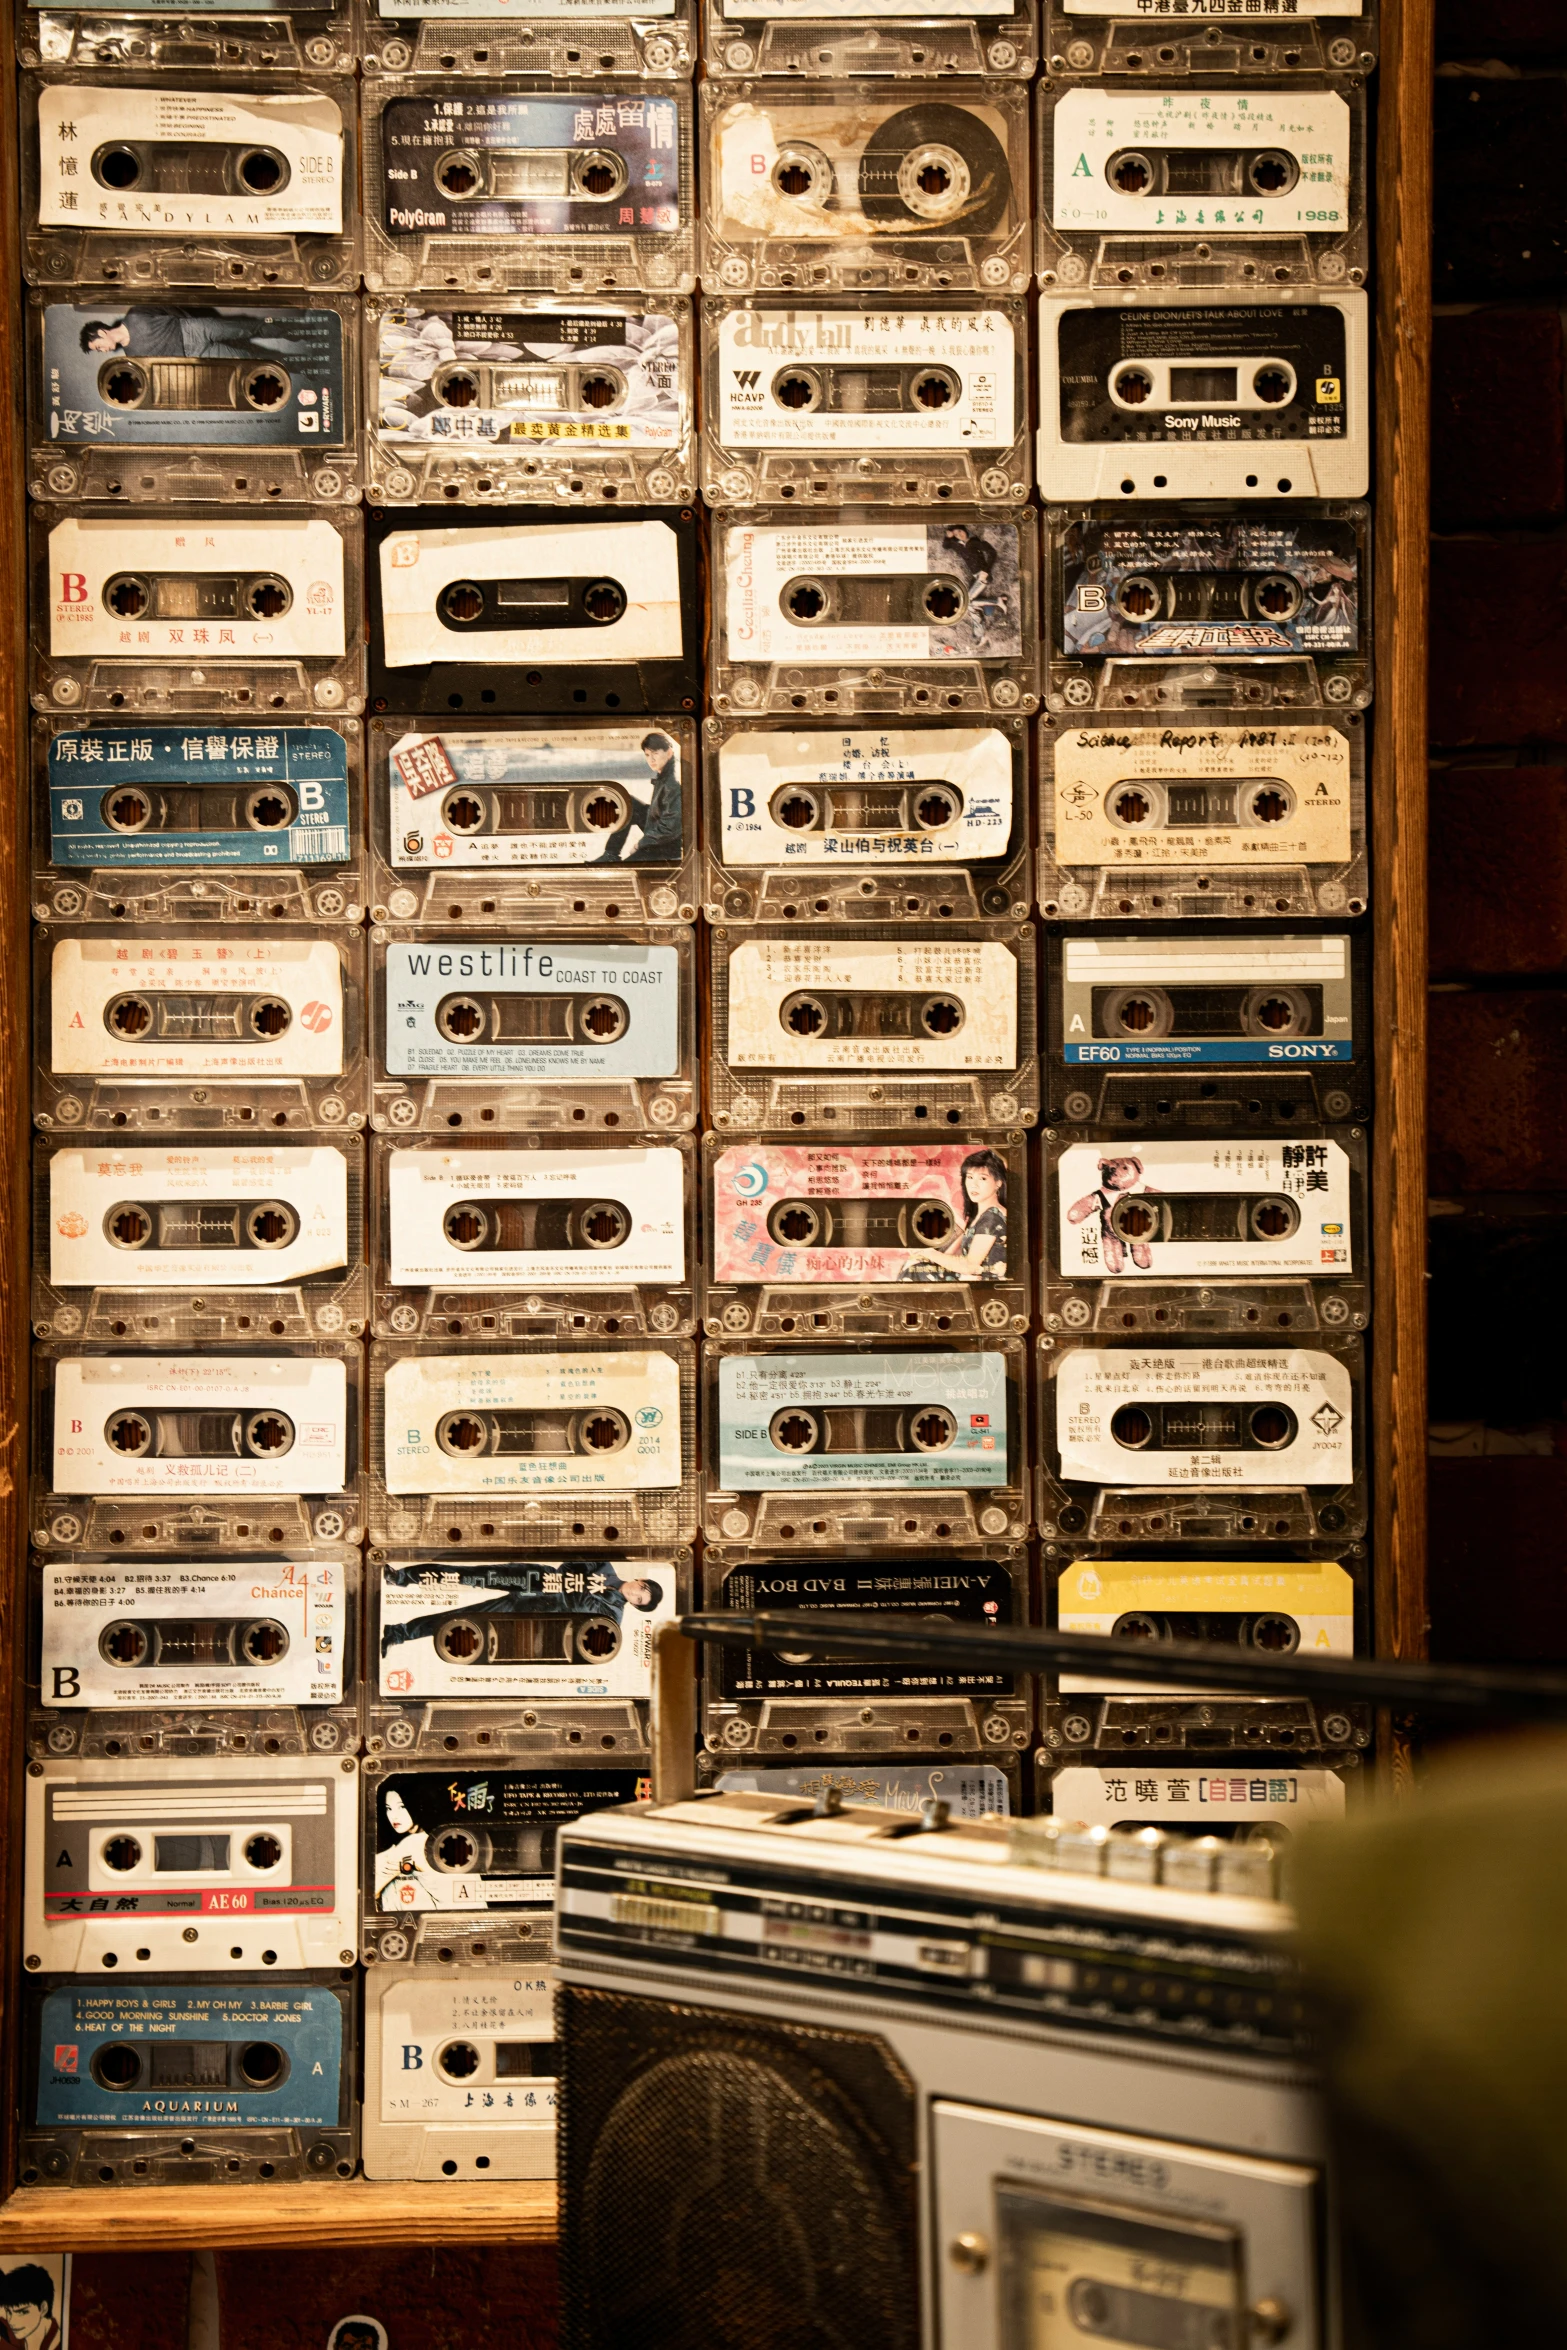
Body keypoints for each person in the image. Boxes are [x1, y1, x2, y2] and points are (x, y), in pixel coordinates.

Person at [381, 1562, 664, 1655]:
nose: (636, 1594)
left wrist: (571, 1595)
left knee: (458, 1620)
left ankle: (398, 1633)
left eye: (640, 1600)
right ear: (639, 1581)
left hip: (528, 1609)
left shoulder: (613, 1617)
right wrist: (573, 1588)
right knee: (464, 1574)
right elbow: (569, 1565)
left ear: (637, 1607)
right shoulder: (603, 1565)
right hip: (530, 1577)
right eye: (642, 1589)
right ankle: (402, 1577)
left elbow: (577, 1626)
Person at [907, 1148, 1009, 1282]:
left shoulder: (992, 1217)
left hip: (985, 1287)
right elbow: (955, 1255)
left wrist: (928, 1253)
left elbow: (970, 1265)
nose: (974, 1184)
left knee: (914, 1271)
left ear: (998, 1182)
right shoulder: (981, 1214)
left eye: (983, 1178)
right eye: (970, 1177)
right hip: (972, 1279)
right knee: (916, 1266)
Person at [80, 308, 318, 363]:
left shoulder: (135, 315)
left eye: (98, 345)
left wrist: (194, 321)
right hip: (196, 353)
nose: (102, 351)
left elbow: (169, 308)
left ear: (102, 332)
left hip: (195, 328)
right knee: (250, 359)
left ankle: (299, 332)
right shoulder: (132, 356)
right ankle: (300, 364)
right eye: (98, 350)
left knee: (249, 327)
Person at [592, 731, 682, 865]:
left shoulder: (673, 781)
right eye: (647, 755)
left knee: (627, 868)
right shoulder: (666, 772)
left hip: (669, 845)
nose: (651, 760)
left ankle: (615, 857)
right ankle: (611, 854)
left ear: (669, 753)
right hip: (661, 830)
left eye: (655, 753)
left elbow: (670, 828)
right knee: (627, 804)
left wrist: (641, 843)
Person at [1067, 1154, 1159, 1274]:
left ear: (1138, 1167)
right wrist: (1075, 1215)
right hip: (1110, 1232)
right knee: (1111, 1244)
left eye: (1125, 1168)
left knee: (1139, 1244)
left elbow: (1162, 1200)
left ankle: (1142, 1258)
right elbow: (1085, 1205)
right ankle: (1116, 1264)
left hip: (1138, 1230)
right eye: (1111, 1170)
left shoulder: (1144, 1191)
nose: (1116, 1172)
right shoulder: (1101, 1195)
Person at [0, 2266, 61, 2350]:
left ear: (43, 2308)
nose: (11, 2321)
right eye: (8, 2311)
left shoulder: (62, 2343)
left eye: (22, 2312)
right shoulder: (9, 2332)